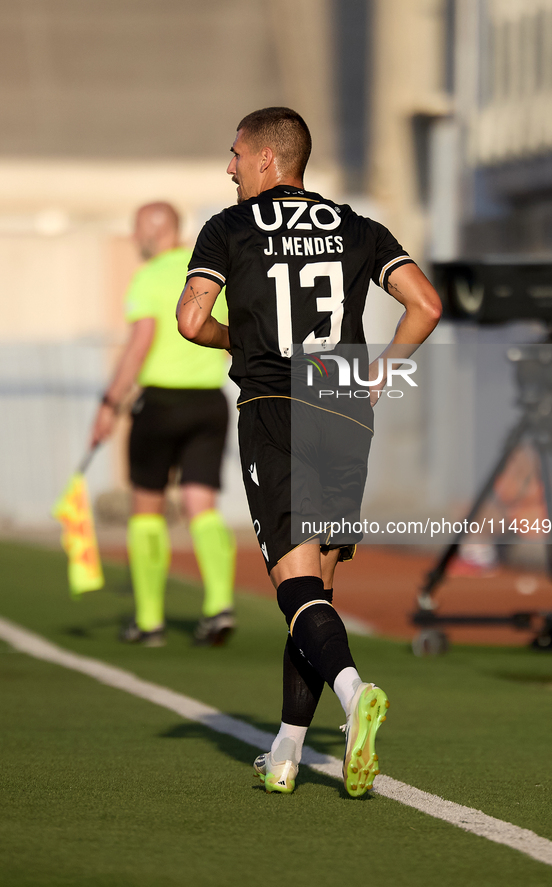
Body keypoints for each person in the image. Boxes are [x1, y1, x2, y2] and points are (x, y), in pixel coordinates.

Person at [177, 108, 441, 797]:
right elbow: (426, 305)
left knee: (292, 585)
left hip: (276, 406)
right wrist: (380, 373)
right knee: (317, 590)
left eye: (234, 153)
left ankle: (355, 694)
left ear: (267, 159)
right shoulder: (356, 226)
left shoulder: (227, 227)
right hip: (342, 400)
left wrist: (241, 339)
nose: (227, 166)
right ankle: (288, 752)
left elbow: (190, 320)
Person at [90, 202, 236, 647]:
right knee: (200, 505)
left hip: (160, 404)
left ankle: (149, 621)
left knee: (147, 508)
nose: (136, 239)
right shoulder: (212, 271)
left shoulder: (150, 276)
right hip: (210, 402)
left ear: (157, 230)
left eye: (138, 230)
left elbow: (141, 343)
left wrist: (110, 402)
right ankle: (218, 607)